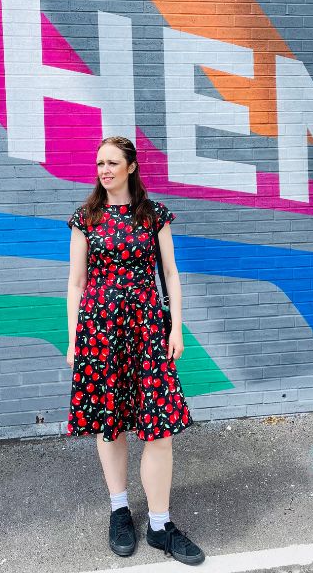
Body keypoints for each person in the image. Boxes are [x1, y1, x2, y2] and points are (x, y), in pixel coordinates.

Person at [65, 136, 205, 566]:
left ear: (130, 166)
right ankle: (119, 510)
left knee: (158, 427)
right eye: (99, 163)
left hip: (146, 331)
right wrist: (73, 339)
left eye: (112, 162)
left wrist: (175, 328)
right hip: (100, 331)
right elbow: (75, 283)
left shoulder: (153, 215)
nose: (103, 170)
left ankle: (161, 525)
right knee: (111, 425)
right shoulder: (86, 218)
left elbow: (170, 273)